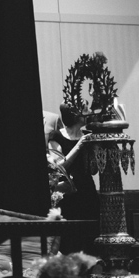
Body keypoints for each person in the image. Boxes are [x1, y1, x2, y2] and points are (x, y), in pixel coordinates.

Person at [49, 103, 99, 252]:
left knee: (90, 238)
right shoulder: (57, 136)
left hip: (87, 193)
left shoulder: (87, 135)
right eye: (85, 109)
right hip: (68, 194)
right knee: (70, 241)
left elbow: (94, 170)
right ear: (76, 114)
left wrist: (95, 148)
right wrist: (79, 145)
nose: (89, 112)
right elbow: (58, 167)